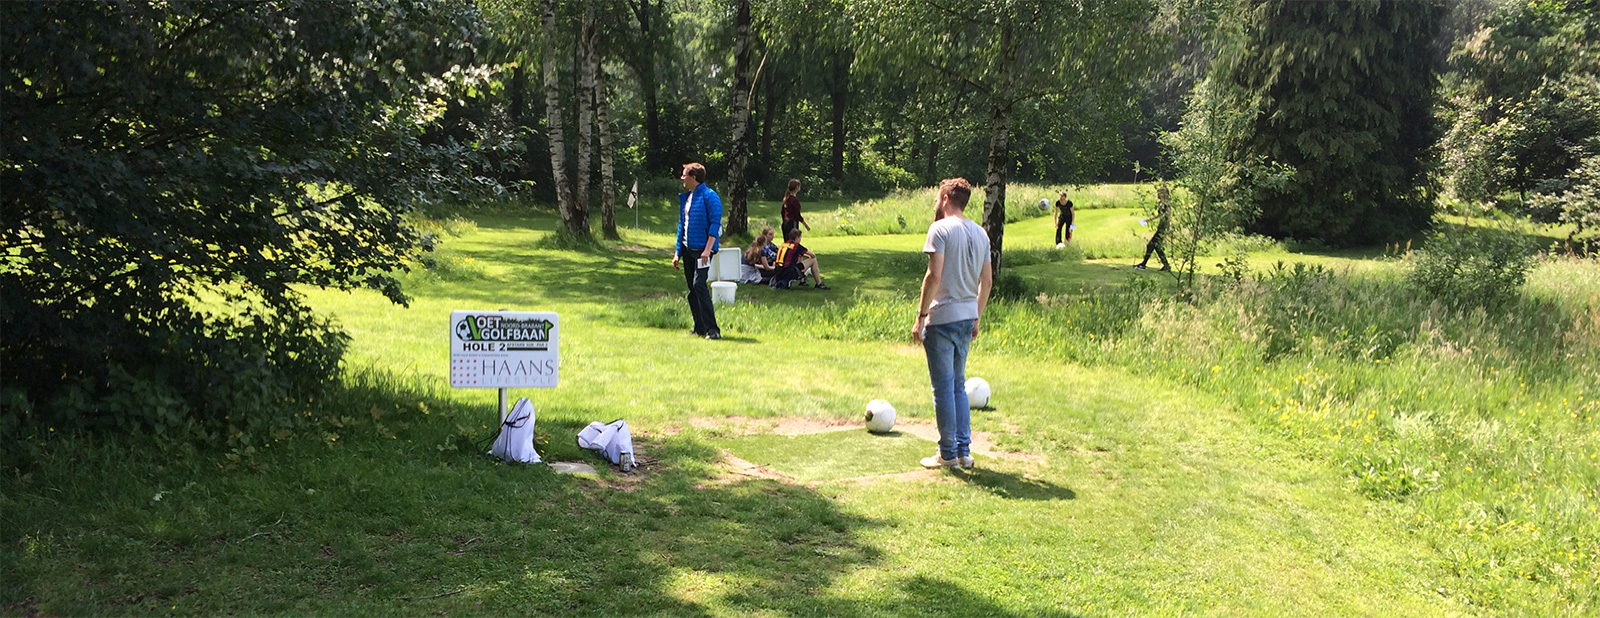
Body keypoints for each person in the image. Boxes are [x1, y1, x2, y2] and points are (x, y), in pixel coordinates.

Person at [912, 178, 992, 470]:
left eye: (937, 198)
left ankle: (947, 454)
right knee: (958, 386)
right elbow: (988, 282)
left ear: (945, 198)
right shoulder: (981, 233)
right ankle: (963, 451)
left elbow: (933, 276)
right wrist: (977, 315)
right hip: (966, 315)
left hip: (942, 317)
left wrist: (921, 316)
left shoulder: (940, 229)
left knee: (943, 388)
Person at [672, 162, 723, 339]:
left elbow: (715, 225)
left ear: (694, 177)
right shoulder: (686, 198)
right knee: (692, 289)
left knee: (699, 285)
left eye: (684, 174)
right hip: (688, 250)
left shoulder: (710, 196)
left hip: (703, 250)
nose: (682, 178)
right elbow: (682, 226)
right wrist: (678, 251)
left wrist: (707, 250)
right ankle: (699, 326)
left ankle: (713, 329)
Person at [1134, 183, 1171, 271]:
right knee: (1157, 247)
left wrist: (1168, 228)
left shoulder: (1166, 204)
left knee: (1151, 245)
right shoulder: (1161, 204)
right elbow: (1159, 215)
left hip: (1163, 227)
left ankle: (1143, 264)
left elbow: (1168, 216)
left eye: (1159, 193)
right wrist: (1148, 220)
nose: (1157, 195)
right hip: (1161, 226)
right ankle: (1166, 266)